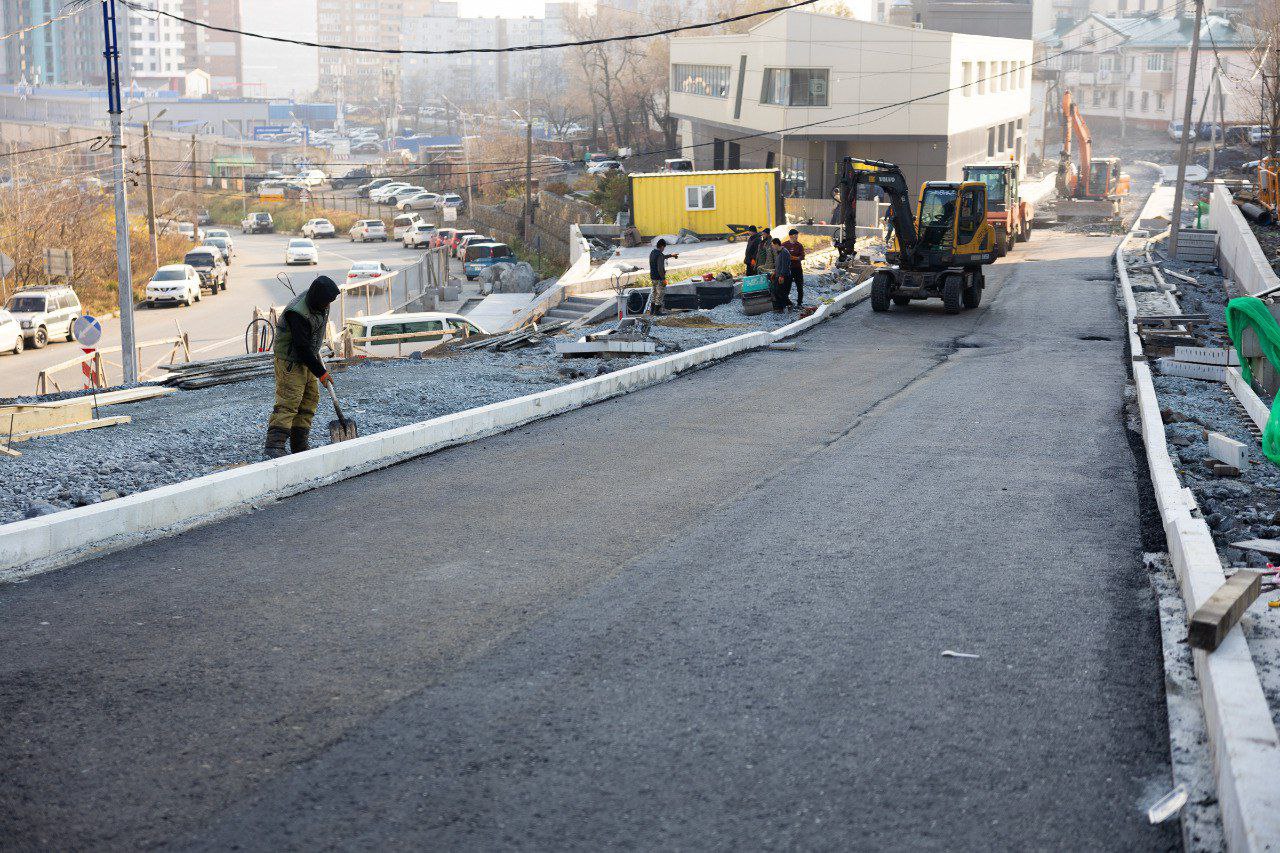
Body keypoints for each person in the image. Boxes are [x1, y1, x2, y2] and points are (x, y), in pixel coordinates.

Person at [265, 275, 341, 458]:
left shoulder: (320, 303)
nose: (328, 305)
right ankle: (274, 446)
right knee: (289, 401)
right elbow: (301, 348)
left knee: (310, 399)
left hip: (308, 357)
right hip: (290, 361)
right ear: (317, 298)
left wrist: (317, 365)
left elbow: (311, 341)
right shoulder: (297, 313)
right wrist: (321, 373)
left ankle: (299, 445)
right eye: (326, 302)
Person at [648, 238, 678, 314]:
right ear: (661, 246)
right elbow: (660, 268)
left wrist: (671, 255)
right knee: (660, 294)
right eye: (664, 247)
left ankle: (652, 311)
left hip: (653, 277)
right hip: (659, 278)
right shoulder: (660, 254)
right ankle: (657, 312)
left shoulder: (653, 252)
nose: (664, 249)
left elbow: (662, 257)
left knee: (654, 294)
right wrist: (663, 279)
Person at [781, 228, 806, 307]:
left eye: (797, 235)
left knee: (799, 286)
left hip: (797, 268)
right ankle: (787, 302)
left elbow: (802, 256)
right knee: (787, 286)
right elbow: (780, 255)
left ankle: (799, 303)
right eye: (795, 235)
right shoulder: (784, 245)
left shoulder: (799, 245)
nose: (796, 236)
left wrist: (794, 258)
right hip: (788, 269)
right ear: (790, 236)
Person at [771, 237, 794, 311]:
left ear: (777, 244)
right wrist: (775, 272)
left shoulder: (784, 252)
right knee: (777, 291)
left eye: (773, 245)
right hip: (779, 275)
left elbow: (785, 265)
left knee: (780, 292)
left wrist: (782, 276)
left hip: (784, 276)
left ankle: (785, 305)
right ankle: (782, 306)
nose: (772, 247)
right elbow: (778, 264)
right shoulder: (778, 252)